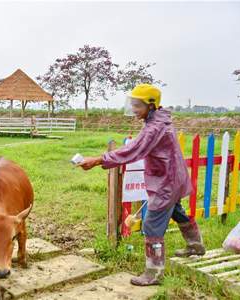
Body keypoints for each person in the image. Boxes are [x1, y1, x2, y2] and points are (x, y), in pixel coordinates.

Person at [78, 84, 206, 286]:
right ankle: (196, 245)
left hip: (166, 181)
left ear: (152, 105)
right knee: (176, 211)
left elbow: (133, 150)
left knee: (152, 225)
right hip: (173, 176)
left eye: (138, 105)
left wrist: (98, 160)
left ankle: (153, 272)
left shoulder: (154, 127)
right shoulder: (160, 119)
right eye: (133, 104)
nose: (134, 109)